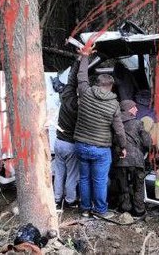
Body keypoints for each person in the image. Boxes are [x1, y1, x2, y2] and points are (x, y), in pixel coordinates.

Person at [74, 52, 128, 220]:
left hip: (81, 145)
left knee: (84, 178)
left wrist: (84, 57)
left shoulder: (85, 92)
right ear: (111, 86)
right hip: (100, 149)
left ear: (97, 83)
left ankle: (84, 209)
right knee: (99, 180)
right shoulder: (114, 104)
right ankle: (100, 211)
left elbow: (81, 76)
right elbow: (119, 130)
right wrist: (123, 146)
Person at [111, 100, 152, 217]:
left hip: (120, 160)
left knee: (122, 187)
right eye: (135, 108)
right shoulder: (138, 123)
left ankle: (125, 209)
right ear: (129, 109)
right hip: (136, 161)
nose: (137, 110)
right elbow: (147, 143)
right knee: (138, 186)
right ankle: (139, 211)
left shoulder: (115, 124)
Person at [53, 60, 81, 209]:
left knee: (58, 172)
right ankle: (70, 200)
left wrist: (77, 61)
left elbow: (71, 80)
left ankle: (56, 199)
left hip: (58, 142)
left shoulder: (66, 98)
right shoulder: (80, 111)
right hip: (71, 145)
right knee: (71, 174)